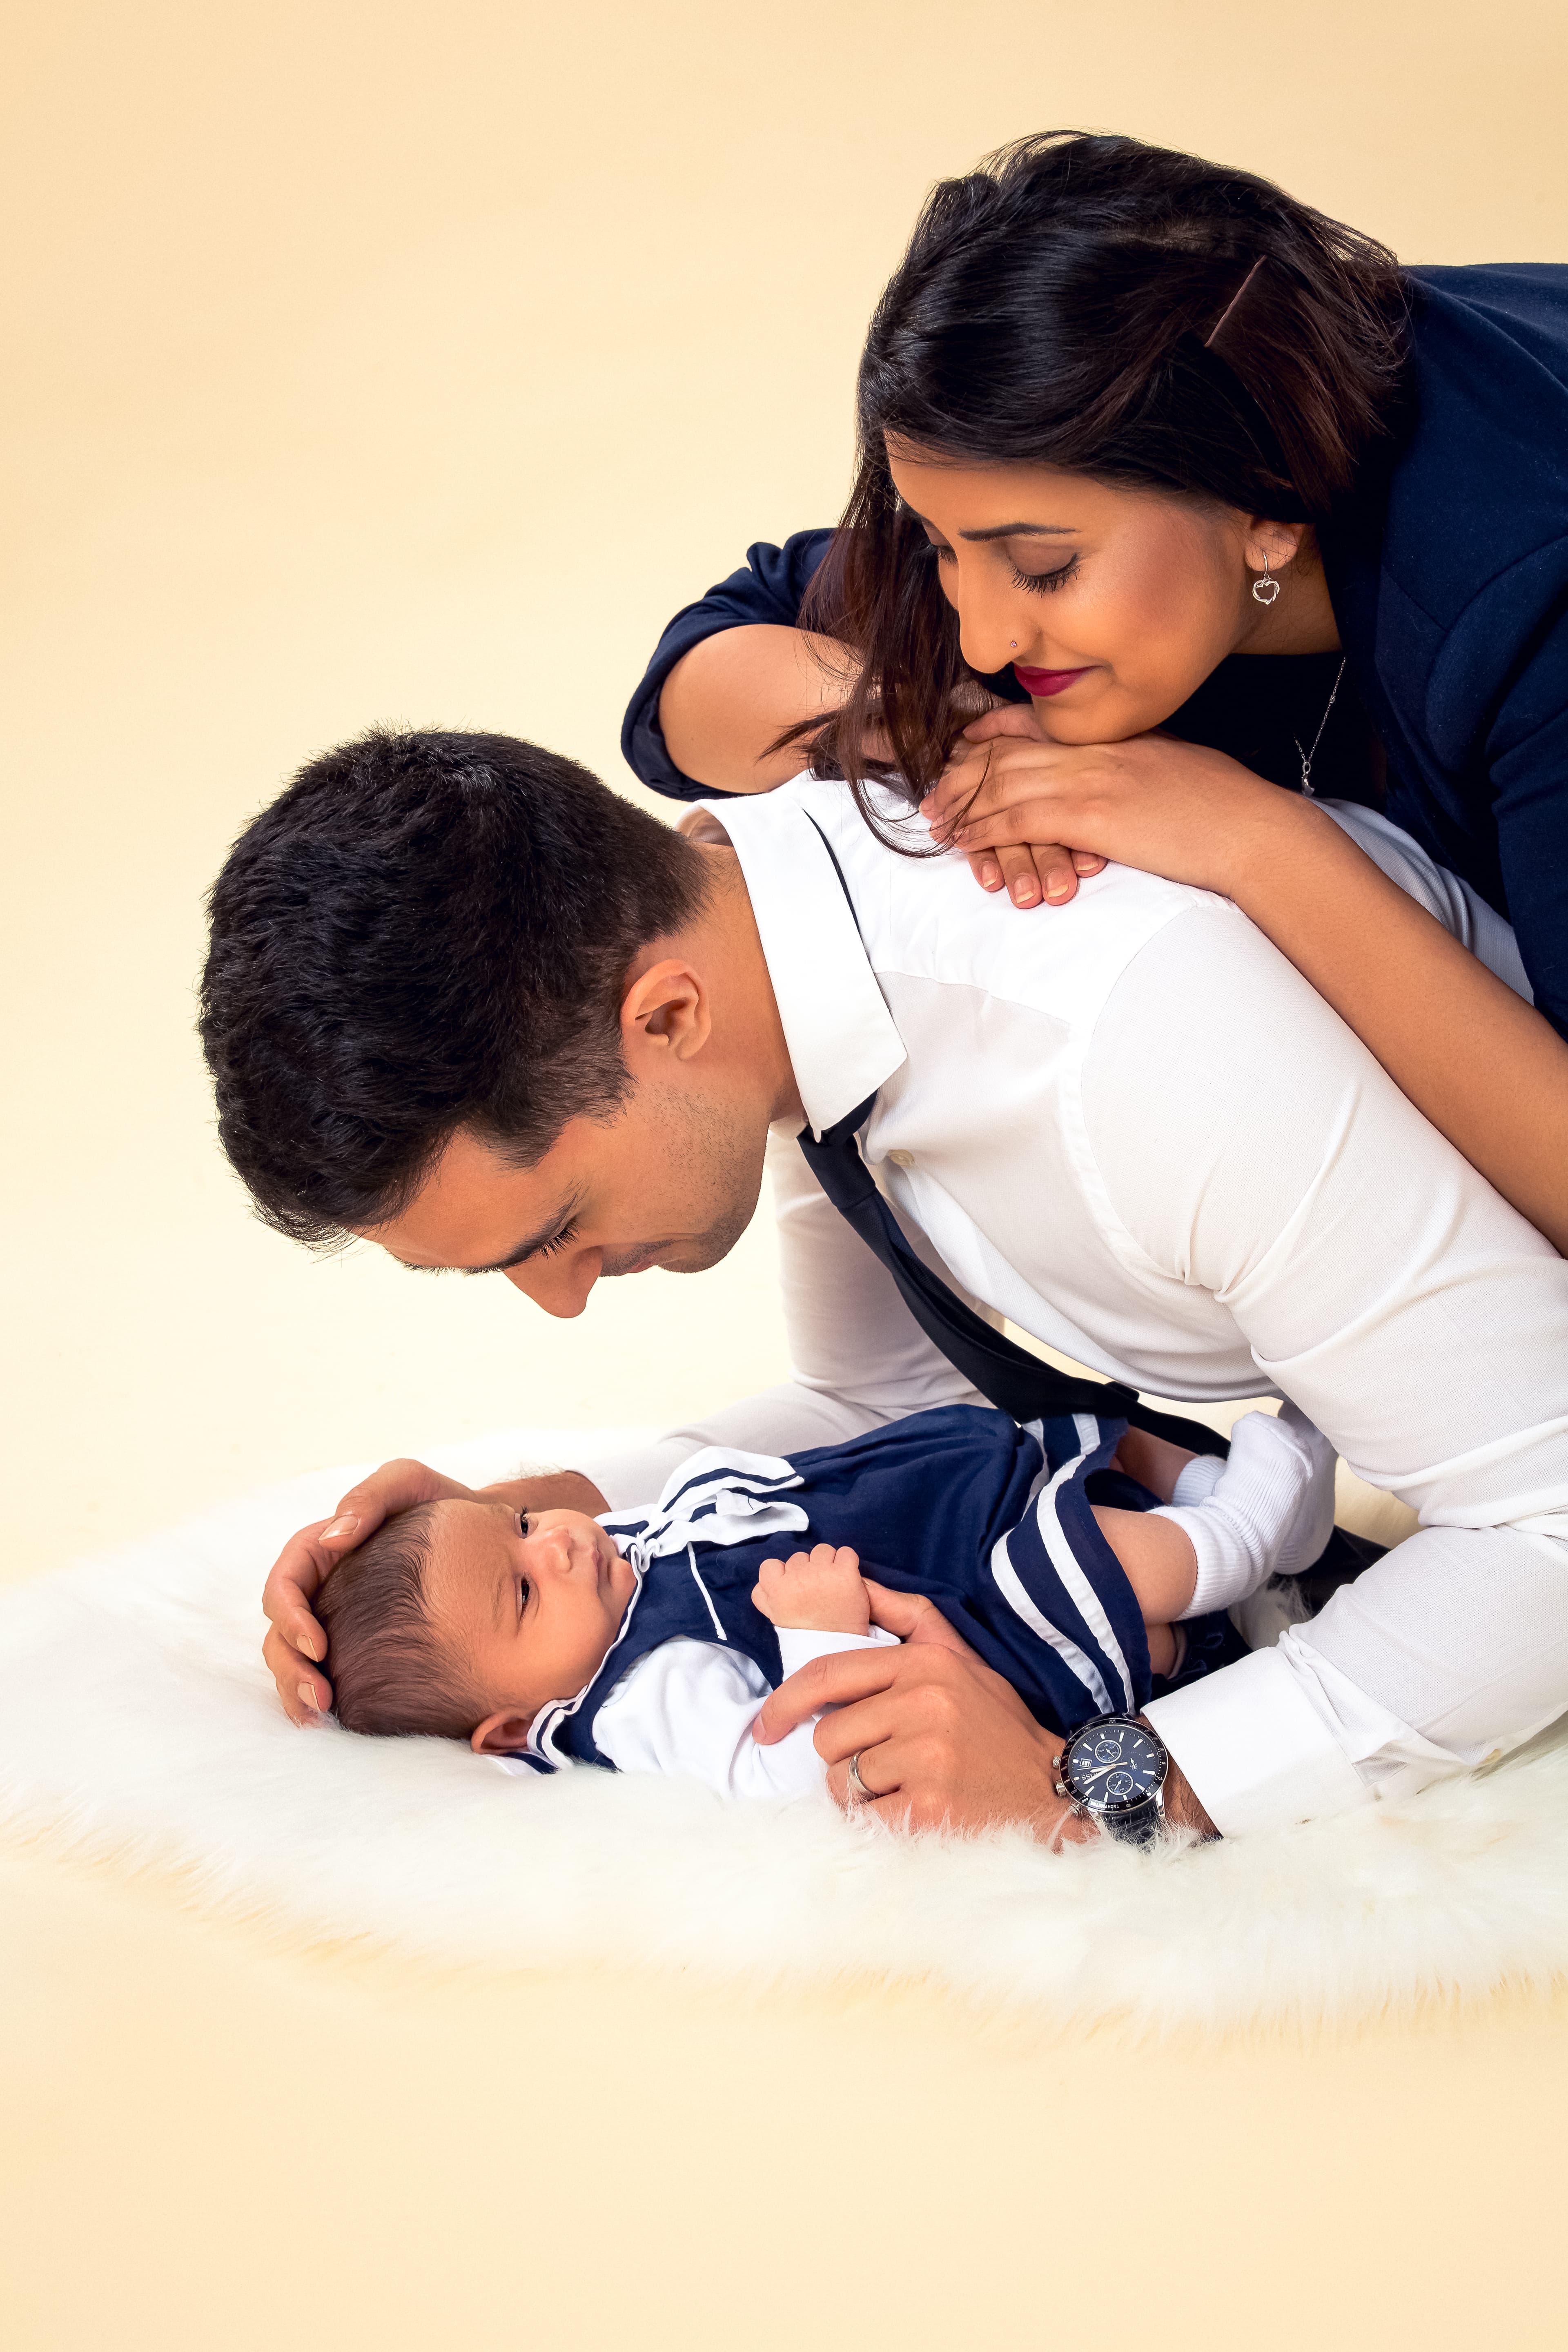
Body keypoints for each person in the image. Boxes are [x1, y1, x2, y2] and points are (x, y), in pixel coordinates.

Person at [202, 727, 1568, 1845]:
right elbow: (880, 1402)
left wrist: (1100, 1788)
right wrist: (539, 1519)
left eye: (551, 1230)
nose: (561, 1303)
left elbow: (1548, 1529)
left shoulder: (1125, 1051)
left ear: (668, 1017)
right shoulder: (765, 964)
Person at [626, 131, 1568, 1252]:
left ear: (1269, 501)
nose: (980, 632)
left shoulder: (1526, 602)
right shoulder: (1092, 466)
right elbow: (693, 681)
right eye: (939, 546)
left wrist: (1252, 840)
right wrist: (948, 731)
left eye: (1042, 567)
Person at [316, 1401, 1336, 1829]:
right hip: (967, 1630)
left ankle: (1214, 1503)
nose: (559, 1545)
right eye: (524, 1590)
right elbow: (783, 1777)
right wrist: (819, 1633)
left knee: (1063, 1450)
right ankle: (1245, 1534)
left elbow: (606, 1523)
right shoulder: (639, 1701)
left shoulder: (597, 1582)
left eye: (523, 1524)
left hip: (909, 1525)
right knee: (1070, 1566)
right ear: (511, 1729)